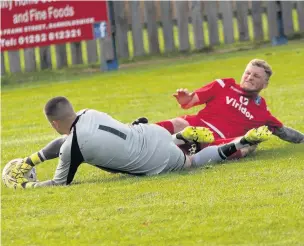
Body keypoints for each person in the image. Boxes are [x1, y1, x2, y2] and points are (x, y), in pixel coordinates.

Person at [3, 96, 271, 189]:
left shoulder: (73, 147)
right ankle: (181, 137)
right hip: (149, 132)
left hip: (155, 161)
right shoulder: (88, 112)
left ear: (53, 123)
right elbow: (66, 140)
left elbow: (60, 184)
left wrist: (26, 186)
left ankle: (238, 143)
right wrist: (32, 160)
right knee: (157, 141)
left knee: (192, 163)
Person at [154, 59, 304, 156]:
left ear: (265, 84)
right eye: (247, 73)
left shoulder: (262, 113)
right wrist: (185, 99)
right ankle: (140, 132)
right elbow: (190, 101)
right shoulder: (224, 85)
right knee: (180, 123)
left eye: (256, 76)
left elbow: (283, 132)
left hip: (219, 142)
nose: (249, 77)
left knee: (244, 147)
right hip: (196, 126)